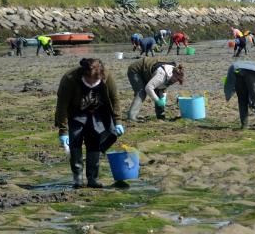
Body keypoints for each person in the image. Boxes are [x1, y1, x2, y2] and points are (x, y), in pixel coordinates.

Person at [55, 58, 124, 189]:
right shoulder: (69, 79)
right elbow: (62, 106)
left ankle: (93, 178)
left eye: (94, 81)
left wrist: (118, 121)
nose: (91, 83)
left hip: (97, 113)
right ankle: (78, 179)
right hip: (75, 113)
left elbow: (115, 99)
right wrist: (63, 131)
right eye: (88, 81)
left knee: (95, 143)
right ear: (83, 75)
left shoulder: (107, 76)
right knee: (75, 142)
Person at [126, 57, 184, 121]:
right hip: (136, 70)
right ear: (173, 75)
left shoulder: (172, 74)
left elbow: (162, 88)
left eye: (178, 80)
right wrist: (157, 100)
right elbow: (148, 88)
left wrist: (163, 99)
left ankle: (161, 117)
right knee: (141, 92)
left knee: (159, 93)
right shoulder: (162, 75)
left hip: (148, 73)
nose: (176, 81)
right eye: (176, 79)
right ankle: (131, 117)